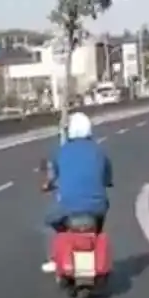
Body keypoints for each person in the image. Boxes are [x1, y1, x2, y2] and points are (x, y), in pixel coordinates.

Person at [41, 111, 113, 273]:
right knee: (102, 213)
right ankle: (92, 245)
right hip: (97, 207)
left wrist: (47, 185)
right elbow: (108, 178)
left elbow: (52, 176)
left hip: (68, 208)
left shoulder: (61, 151)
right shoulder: (99, 151)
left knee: (50, 220)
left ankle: (54, 258)